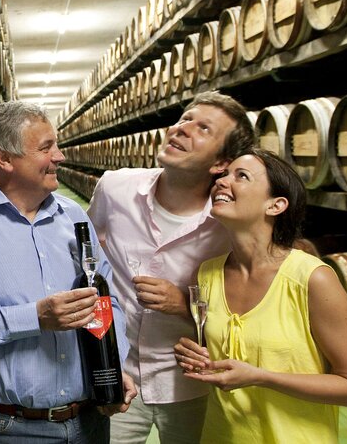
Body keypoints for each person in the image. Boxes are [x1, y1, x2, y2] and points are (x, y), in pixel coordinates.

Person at [0, 101, 137, 444]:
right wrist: (34, 317)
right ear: (5, 159)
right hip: (11, 428)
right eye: (46, 147)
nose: (60, 156)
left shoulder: (73, 215)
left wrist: (116, 364)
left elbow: (108, 302)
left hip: (91, 421)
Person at [86, 91, 255, 444]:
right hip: (118, 374)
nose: (182, 128)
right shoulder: (116, 188)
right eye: (185, 119)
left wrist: (186, 304)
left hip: (192, 382)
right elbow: (85, 257)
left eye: (203, 128)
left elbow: (249, 311)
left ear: (221, 163)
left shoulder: (230, 222)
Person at [174, 149, 347, 443]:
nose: (221, 181)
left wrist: (261, 377)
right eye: (224, 174)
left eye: (241, 176)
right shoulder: (206, 274)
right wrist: (195, 357)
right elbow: (220, 354)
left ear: (275, 205)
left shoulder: (312, 278)